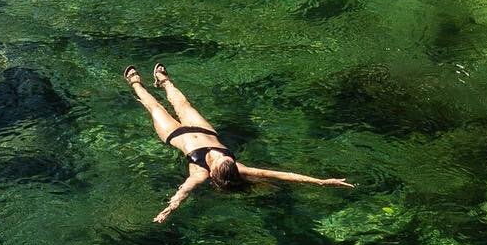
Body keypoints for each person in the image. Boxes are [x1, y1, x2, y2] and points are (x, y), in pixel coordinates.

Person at [124, 63, 353, 223]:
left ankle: (135, 83)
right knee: (185, 106)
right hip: (204, 130)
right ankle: (163, 81)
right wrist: (322, 182)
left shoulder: (200, 174)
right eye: (226, 157)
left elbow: (183, 192)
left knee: (156, 108)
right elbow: (283, 175)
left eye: (220, 158)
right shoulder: (240, 168)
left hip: (174, 135)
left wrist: (168, 210)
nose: (220, 155)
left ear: (213, 170)